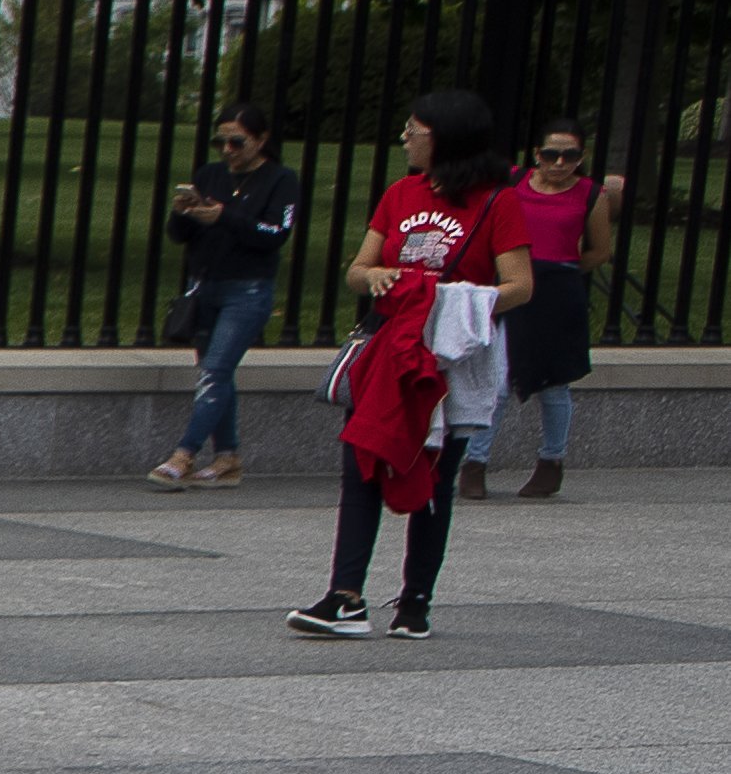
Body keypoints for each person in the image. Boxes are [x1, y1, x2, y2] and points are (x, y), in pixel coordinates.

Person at [290, 89, 533, 643]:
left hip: (448, 355)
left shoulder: (498, 202)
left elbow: (520, 286)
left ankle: (416, 600)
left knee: (433, 477)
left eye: (413, 129)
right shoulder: (400, 193)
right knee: (363, 463)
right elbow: (359, 267)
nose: (404, 137)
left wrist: (450, 302)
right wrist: (373, 278)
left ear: (443, 137)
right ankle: (345, 597)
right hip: (389, 346)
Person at [153, 105, 302, 489]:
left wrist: (225, 217)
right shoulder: (210, 175)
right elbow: (179, 236)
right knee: (216, 374)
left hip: (247, 289)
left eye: (238, 142)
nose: (228, 150)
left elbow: (274, 235)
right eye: (222, 141)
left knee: (215, 370)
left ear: (261, 140)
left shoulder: (280, 180)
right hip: (205, 286)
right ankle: (227, 457)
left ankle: (184, 453)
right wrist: (183, 213)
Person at [499, 121, 622, 496]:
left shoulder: (590, 194)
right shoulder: (514, 182)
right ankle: (474, 462)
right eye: (551, 154)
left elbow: (600, 250)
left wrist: (564, 268)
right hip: (512, 283)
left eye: (569, 155)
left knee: (554, 384)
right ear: (537, 155)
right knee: (498, 376)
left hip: (558, 289)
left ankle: (551, 461)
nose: (559, 162)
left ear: (580, 158)